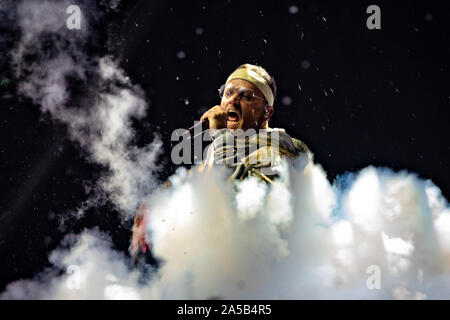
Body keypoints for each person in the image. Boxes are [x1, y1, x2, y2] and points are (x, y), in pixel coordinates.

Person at [132, 63, 311, 253]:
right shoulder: (228, 145)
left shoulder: (278, 150)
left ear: (266, 113)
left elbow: (246, 205)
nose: (232, 100)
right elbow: (199, 177)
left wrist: (220, 135)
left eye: (246, 96)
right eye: (228, 93)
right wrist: (154, 202)